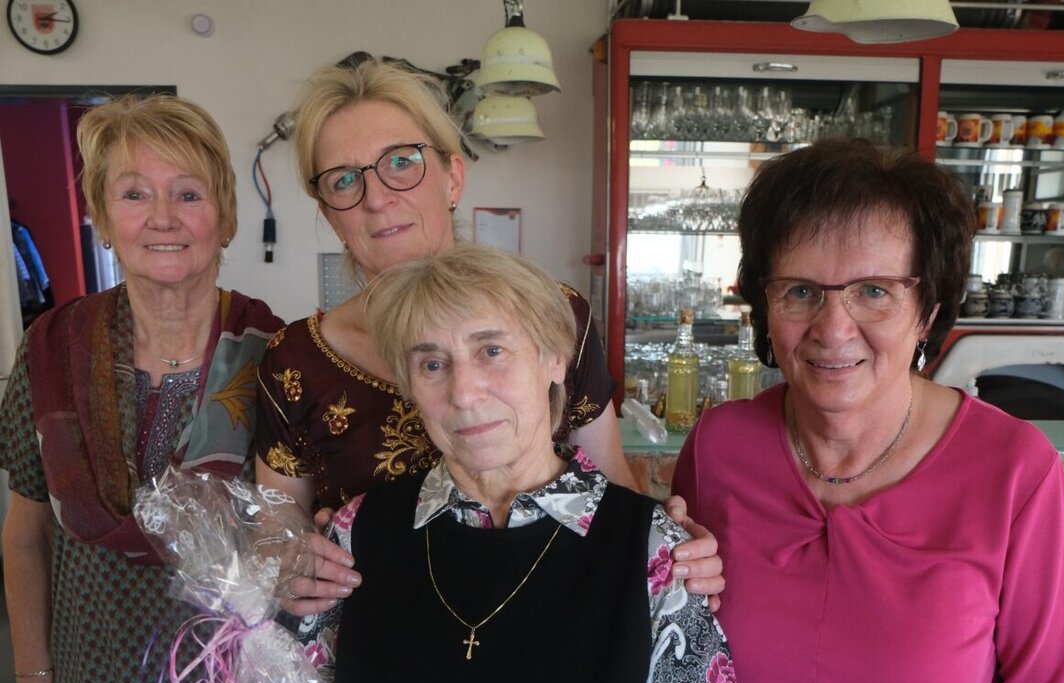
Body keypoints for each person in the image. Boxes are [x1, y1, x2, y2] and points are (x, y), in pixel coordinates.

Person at [671, 138, 1064, 683]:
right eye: (800, 289)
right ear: (763, 303)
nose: (834, 328)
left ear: (928, 307)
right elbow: (678, 668)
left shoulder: (1010, 472)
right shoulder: (723, 447)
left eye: (874, 290)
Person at [327, 243, 749, 683]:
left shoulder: (650, 551)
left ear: (554, 359)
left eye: (492, 351)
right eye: (432, 363)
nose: (464, 392)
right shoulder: (355, 535)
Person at [255, 59, 722, 616]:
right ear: (330, 212)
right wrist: (289, 562)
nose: (376, 197)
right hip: (372, 656)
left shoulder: (556, 315)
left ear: (452, 176)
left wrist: (669, 552)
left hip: (549, 636)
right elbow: (274, 527)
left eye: (401, 162)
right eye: (344, 180)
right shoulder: (296, 362)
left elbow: (609, 487)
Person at [0, 94, 283, 683]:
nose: (163, 216)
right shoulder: (51, 351)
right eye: (133, 193)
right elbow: (23, 530)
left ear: (224, 214)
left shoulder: (271, 354)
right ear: (101, 215)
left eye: (188, 192)